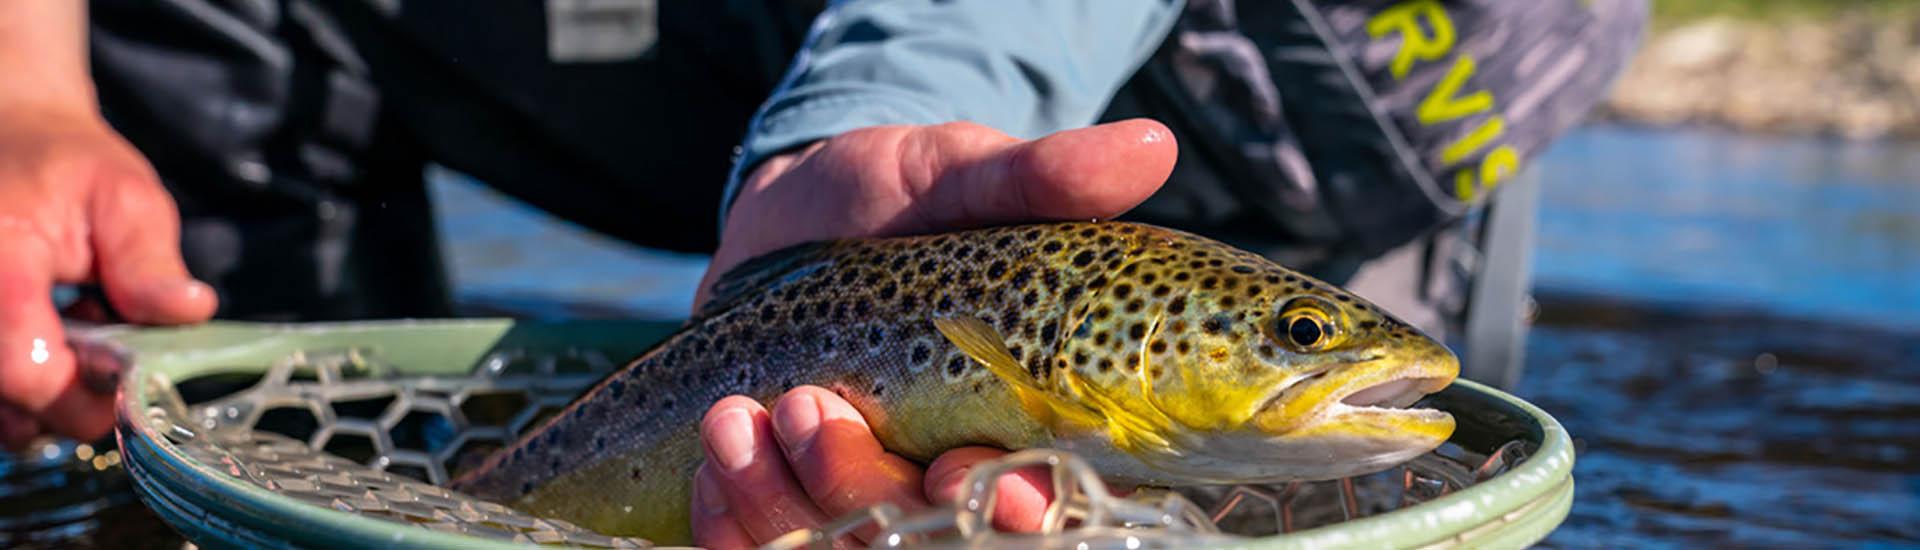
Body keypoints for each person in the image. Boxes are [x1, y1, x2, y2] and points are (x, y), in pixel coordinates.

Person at [0, 0, 1642, 547]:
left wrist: (871, 119)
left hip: (1309, 89)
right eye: (1282, 339)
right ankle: (148, 403)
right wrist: (22, 94)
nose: (1310, 352)